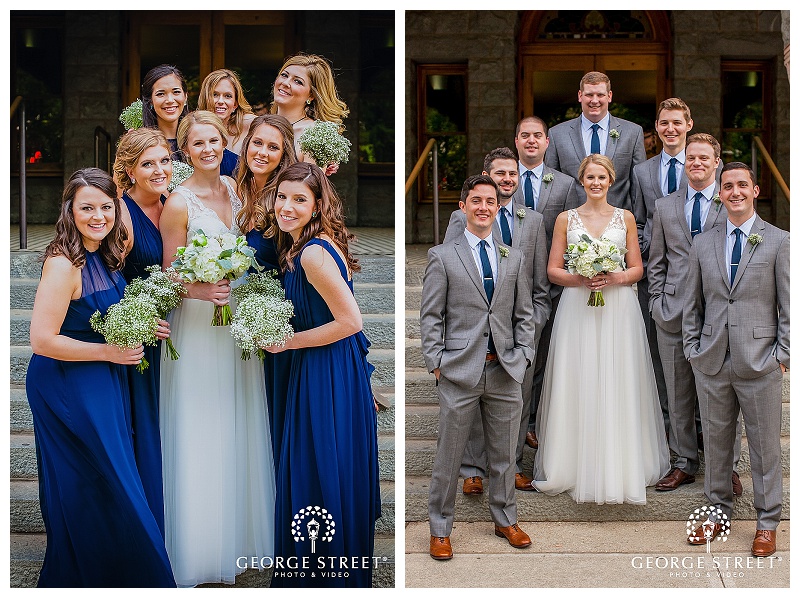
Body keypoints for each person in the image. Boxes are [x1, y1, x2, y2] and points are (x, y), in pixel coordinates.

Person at [26, 168, 175, 587]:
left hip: (100, 378)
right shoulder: (63, 262)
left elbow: (100, 318)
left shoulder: (105, 256)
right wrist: (109, 352)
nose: (98, 215)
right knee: (95, 481)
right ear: (69, 211)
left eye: (106, 207)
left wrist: (143, 325)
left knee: (107, 480)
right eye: (86, 207)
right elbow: (41, 339)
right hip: (66, 384)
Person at [158, 110, 275, 586]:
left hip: (235, 325)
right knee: (200, 423)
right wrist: (201, 290)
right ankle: (198, 546)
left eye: (214, 140)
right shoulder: (178, 204)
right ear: (185, 150)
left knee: (237, 419)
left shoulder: (235, 188)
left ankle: (240, 539)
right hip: (197, 326)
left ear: (225, 142)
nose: (208, 149)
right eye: (198, 143)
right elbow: (167, 275)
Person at [263, 162, 380, 587]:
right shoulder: (304, 246)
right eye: (282, 197)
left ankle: (319, 578)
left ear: (316, 206)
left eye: (299, 199)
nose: (287, 207)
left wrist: (284, 342)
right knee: (322, 464)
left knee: (316, 466)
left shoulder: (312, 253)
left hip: (324, 372)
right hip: (326, 366)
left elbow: (351, 322)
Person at [532, 154, 670, 504]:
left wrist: (615, 276)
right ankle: (572, 464)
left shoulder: (625, 218)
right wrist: (580, 277)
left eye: (602, 177)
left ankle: (621, 466)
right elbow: (552, 271)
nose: (596, 182)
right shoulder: (566, 219)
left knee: (617, 380)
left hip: (618, 309)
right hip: (578, 306)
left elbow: (638, 267)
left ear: (611, 181)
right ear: (582, 181)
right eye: (590, 177)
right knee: (579, 379)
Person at [420, 174, 536, 560]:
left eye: (490, 201)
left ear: (498, 208)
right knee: (450, 454)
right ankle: (439, 528)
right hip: (459, 371)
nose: (484, 207)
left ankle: (506, 519)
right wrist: (437, 363)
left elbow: (524, 314)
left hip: (504, 370)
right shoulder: (442, 255)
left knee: (504, 455)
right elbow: (431, 316)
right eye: (476, 200)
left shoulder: (512, 256)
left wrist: (523, 355)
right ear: (463, 206)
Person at [683, 162, 789, 557]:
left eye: (742, 185)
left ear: (755, 190)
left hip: (760, 360)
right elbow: (692, 304)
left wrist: (783, 354)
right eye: (728, 186)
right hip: (711, 360)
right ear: (720, 194)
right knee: (716, 443)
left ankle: (766, 523)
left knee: (764, 446)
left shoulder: (779, 241)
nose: (735, 192)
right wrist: (693, 348)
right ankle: (716, 514)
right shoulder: (702, 243)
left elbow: (788, 304)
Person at [442, 147, 550, 493]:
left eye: (512, 174)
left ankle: (514, 463)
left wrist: (527, 337)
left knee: (518, 400)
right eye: (499, 173)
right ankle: (472, 469)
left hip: (516, 333)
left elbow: (538, 286)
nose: (507, 179)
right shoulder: (463, 217)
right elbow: (449, 275)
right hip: (472, 332)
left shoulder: (533, 221)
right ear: (487, 176)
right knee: (471, 404)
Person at [649, 134, 742, 495]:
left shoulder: (731, 201)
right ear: (683, 162)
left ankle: (727, 467)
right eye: (691, 159)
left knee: (722, 396)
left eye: (704, 158)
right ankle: (684, 461)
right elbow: (657, 261)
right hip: (672, 312)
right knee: (678, 393)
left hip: (718, 316)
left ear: (716, 162)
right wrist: (657, 302)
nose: (697, 164)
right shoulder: (664, 206)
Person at [112, 128, 173, 536]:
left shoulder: (175, 203)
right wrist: (138, 320)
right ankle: (143, 528)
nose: (158, 170)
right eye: (148, 164)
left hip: (176, 328)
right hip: (140, 337)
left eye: (164, 161)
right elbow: (109, 283)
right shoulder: (120, 212)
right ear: (130, 171)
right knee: (143, 428)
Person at [511, 115, 581, 450]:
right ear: (516, 141)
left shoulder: (565, 184)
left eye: (537, 136)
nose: (531, 141)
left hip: (547, 286)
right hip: (504, 287)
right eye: (525, 136)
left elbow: (571, 237)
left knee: (543, 361)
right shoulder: (501, 179)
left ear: (547, 142)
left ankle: (535, 425)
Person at [235, 113, 298, 455]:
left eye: (273, 147)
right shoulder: (235, 186)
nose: (262, 152)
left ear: (284, 152)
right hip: (239, 313)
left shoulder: (287, 196)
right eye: (257, 143)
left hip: (278, 312)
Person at [544, 71, 646, 211]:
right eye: (589, 95)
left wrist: (637, 225)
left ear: (609, 96)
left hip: (618, 221)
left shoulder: (632, 133)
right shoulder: (557, 134)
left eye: (600, 95)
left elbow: (638, 186)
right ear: (580, 96)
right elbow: (552, 186)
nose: (595, 100)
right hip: (573, 222)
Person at [270, 53, 348, 174]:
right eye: (284, 75)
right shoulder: (259, 124)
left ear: (311, 95)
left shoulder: (315, 134)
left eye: (298, 81)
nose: (285, 83)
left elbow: (308, 187)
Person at [197, 68, 256, 177]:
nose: (220, 101)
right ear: (205, 98)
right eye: (214, 95)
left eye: (227, 96)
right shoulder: (194, 128)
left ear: (235, 104)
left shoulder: (248, 125)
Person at [141, 64, 190, 161]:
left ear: (185, 96)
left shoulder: (198, 138)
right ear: (150, 100)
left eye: (176, 92)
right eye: (161, 94)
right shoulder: (139, 142)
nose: (170, 100)